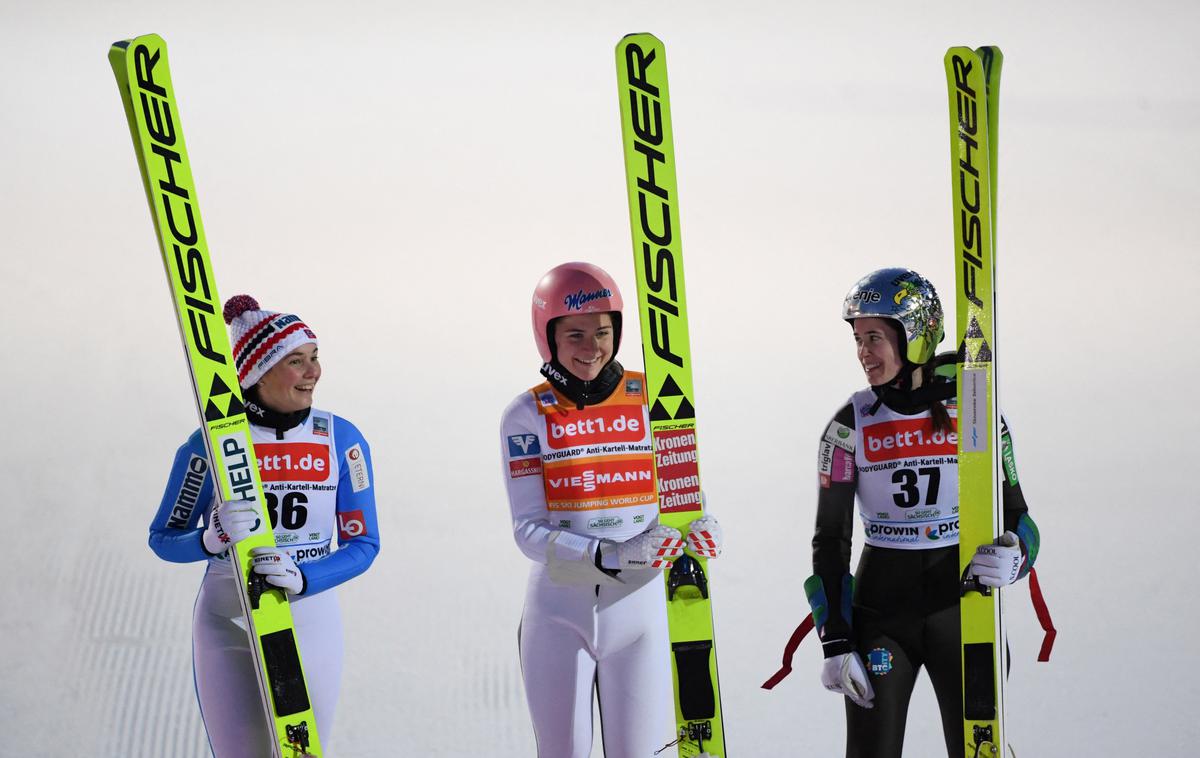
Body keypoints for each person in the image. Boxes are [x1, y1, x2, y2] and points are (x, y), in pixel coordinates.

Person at [808, 268, 1040, 758]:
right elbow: (830, 541)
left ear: (914, 336)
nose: (863, 353)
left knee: (980, 750)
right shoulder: (848, 426)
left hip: (961, 607)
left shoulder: (976, 410)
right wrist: (834, 638)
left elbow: (1018, 515)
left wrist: (1017, 555)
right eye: (857, 339)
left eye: (874, 337)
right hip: (881, 616)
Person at [499, 262, 723, 758]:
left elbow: (682, 488)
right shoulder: (526, 414)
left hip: (640, 612)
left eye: (602, 333)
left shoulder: (654, 399)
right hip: (559, 613)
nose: (591, 347)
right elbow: (528, 532)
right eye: (574, 334)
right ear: (548, 336)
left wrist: (698, 523)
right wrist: (612, 553)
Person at [148, 295, 380, 756]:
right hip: (226, 617)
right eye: (296, 361)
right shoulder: (208, 444)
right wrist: (210, 539)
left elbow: (365, 544)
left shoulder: (342, 439)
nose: (313, 372)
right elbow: (163, 539)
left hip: (310, 616)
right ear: (258, 373)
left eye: (315, 358)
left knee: (303, 752)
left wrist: (305, 577)